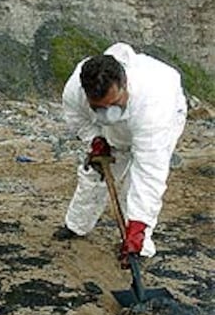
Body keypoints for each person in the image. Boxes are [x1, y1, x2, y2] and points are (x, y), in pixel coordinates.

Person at [54, 42, 187, 267]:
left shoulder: (154, 103)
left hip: (163, 119)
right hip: (109, 132)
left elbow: (149, 174)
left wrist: (138, 225)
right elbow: (77, 118)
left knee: (133, 187)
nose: (109, 112)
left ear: (125, 84)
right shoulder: (75, 90)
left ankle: (137, 245)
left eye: (114, 104)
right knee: (95, 175)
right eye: (99, 107)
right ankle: (76, 225)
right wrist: (96, 139)